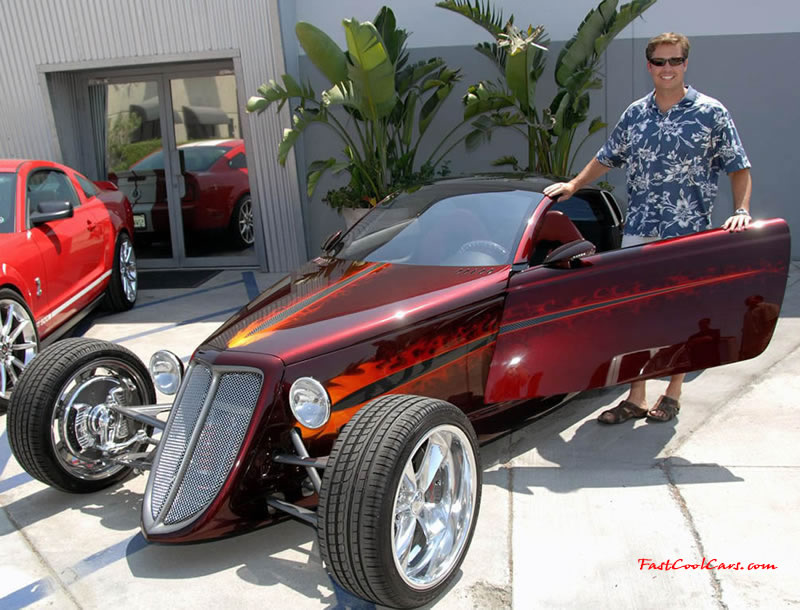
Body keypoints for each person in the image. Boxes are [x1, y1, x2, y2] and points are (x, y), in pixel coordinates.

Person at [543, 32, 753, 424]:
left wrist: (741, 209)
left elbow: (738, 166)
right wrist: (574, 185)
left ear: (685, 64)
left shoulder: (711, 112)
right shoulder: (636, 113)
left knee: (682, 315)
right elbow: (607, 157)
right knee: (635, 315)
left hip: (687, 231)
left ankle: (672, 393)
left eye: (674, 61)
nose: (667, 68)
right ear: (649, 66)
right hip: (640, 228)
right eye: (659, 62)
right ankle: (636, 397)